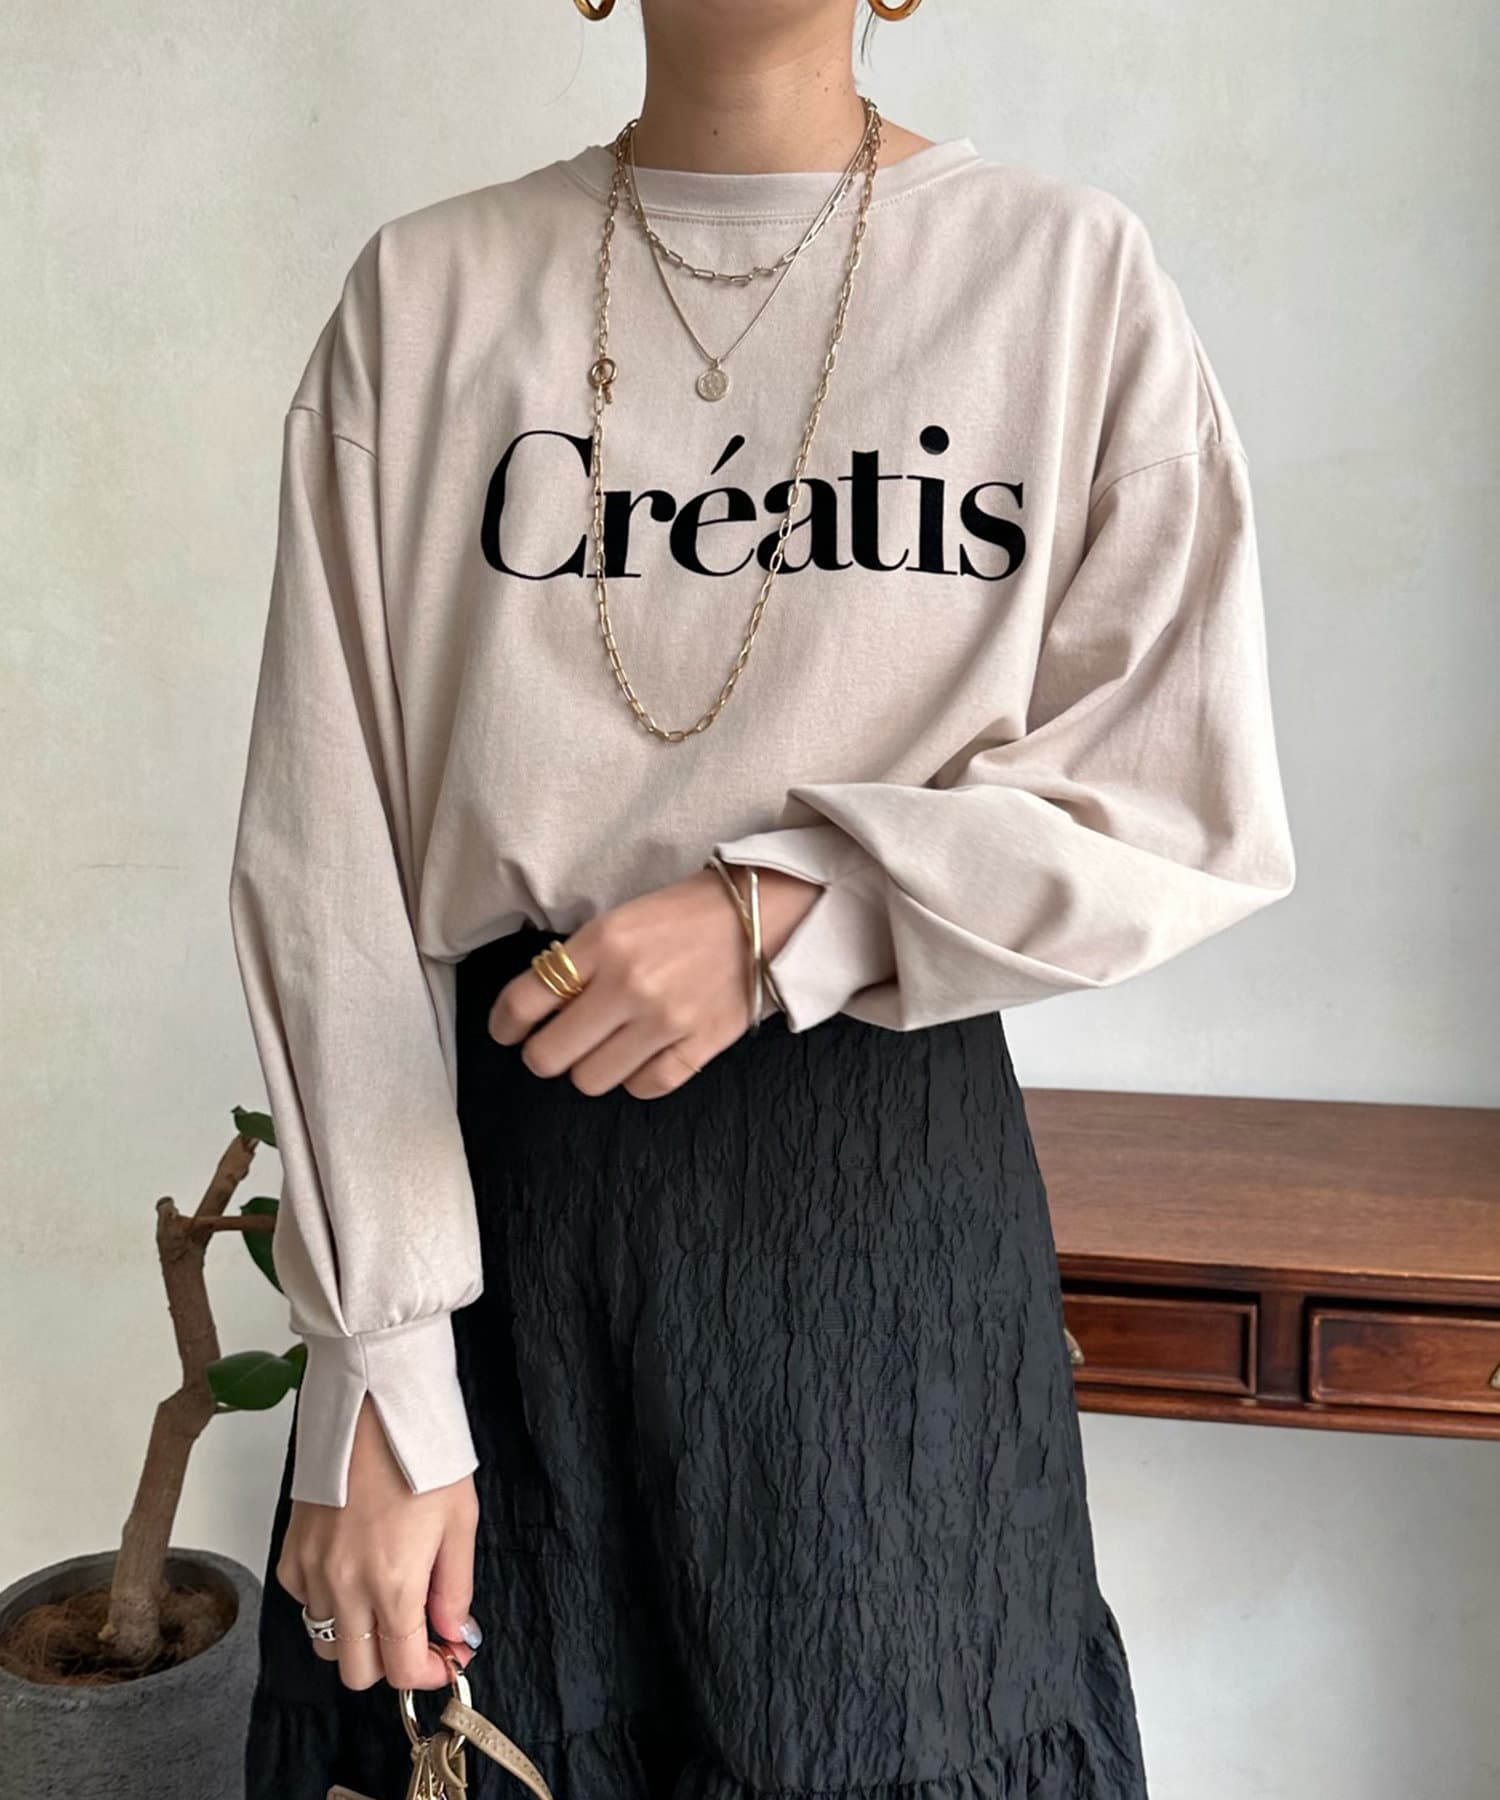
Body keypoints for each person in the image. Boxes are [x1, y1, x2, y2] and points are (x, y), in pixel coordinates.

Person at [227, 1, 1296, 1794]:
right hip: (494, 1232)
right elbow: (326, 858)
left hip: (880, 1222)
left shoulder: (1059, 276)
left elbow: (1186, 798)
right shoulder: (428, 294)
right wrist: (376, 1363)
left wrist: (786, 909)